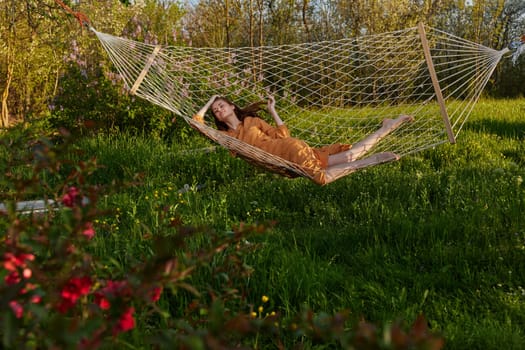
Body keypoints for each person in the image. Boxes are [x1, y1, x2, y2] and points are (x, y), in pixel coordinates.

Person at [193, 95, 413, 185]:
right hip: (281, 160)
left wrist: (272, 111)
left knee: (322, 179)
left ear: (232, 106)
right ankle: (388, 126)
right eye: (215, 110)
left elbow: (282, 136)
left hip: (289, 151)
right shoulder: (227, 137)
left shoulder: (252, 121)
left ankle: (373, 160)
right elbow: (197, 124)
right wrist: (209, 101)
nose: (218, 110)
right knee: (349, 155)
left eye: (221, 105)